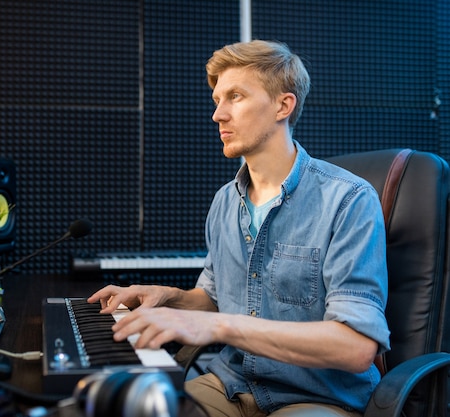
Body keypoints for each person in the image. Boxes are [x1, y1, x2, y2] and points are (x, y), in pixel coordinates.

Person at [87, 40, 390, 417]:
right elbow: (217, 297)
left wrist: (220, 327)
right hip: (231, 382)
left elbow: (356, 347)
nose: (218, 114)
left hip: (316, 396)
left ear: (283, 105)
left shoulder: (349, 200)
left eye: (234, 96)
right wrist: (169, 297)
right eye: (217, 100)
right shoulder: (224, 202)